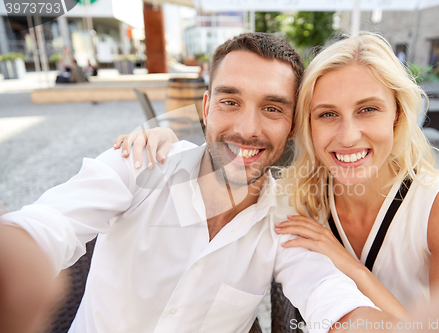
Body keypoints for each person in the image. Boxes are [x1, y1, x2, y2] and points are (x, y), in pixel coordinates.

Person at [0, 33, 391, 333]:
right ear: (206, 108)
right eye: (229, 101)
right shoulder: (139, 165)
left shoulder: (284, 222)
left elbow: (327, 294)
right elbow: (49, 223)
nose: (246, 129)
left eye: (272, 108)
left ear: (291, 127)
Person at [119, 32, 439, 315]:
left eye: (368, 109)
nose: (348, 135)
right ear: (304, 125)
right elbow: (205, 189)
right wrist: (165, 143)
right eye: (327, 114)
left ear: (398, 116)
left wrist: (349, 267)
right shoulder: (301, 196)